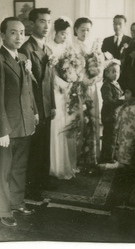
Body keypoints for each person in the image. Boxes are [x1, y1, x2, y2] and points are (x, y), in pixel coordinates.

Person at [0, 17, 38, 227]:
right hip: (7, 128)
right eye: (13, 32)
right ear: (3, 35)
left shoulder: (23, 57)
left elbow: (27, 88)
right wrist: (1, 131)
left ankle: (16, 202)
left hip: (24, 124)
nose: (19, 36)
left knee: (19, 168)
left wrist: (33, 112)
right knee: (2, 170)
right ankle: (2, 210)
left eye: (22, 32)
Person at [19, 8, 56, 200]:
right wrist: (32, 110)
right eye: (42, 21)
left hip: (46, 106)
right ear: (33, 24)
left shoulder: (48, 49)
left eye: (49, 22)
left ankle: (41, 181)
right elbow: (27, 85)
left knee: (44, 147)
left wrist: (53, 105)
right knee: (34, 149)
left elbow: (50, 81)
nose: (46, 26)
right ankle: (31, 188)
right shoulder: (26, 49)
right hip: (34, 108)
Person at [98, 85, 135, 210]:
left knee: (129, 169)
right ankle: (120, 198)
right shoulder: (124, 107)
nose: (125, 95)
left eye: (127, 93)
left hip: (132, 143)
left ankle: (127, 198)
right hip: (122, 142)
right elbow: (117, 122)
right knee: (122, 168)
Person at [47, 17, 78, 179]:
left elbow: (73, 67)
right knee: (57, 122)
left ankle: (69, 162)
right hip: (55, 89)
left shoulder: (68, 48)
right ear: (55, 33)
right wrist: (61, 83)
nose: (64, 37)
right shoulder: (49, 48)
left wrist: (71, 80)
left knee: (68, 123)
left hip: (67, 89)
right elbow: (50, 72)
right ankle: (56, 164)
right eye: (61, 33)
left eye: (66, 34)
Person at [73, 17, 104, 172]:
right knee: (79, 122)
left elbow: (100, 68)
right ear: (76, 30)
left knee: (92, 122)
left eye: (87, 30)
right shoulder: (71, 46)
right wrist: (82, 79)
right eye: (82, 29)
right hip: (77, 89)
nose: (85, 32)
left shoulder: (94, 47)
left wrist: (95, 77)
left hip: (92, 88)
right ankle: (77, 159)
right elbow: (70, 70)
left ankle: (91, 159)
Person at [100, 59, 124, 163]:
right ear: (106, 73)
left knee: (115, 136)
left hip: (116, 114)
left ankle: (114, 155)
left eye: (117, 72)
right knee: (109, 136)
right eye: (113, 72)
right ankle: (107, 157)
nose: (116, 74)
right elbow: (108, 101)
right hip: (109, 115)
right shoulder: (106, 85)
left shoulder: (116, 83)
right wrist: (120, 101)